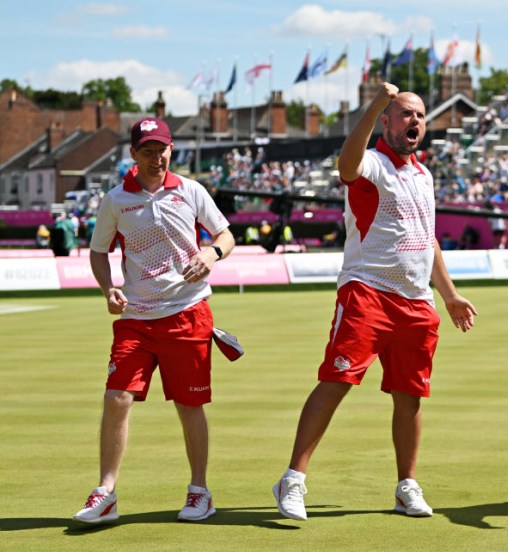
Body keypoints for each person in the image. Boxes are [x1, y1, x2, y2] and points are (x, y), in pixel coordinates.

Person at [272, 83, 477, 521]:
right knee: (337, 381)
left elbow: (428, 239)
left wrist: (450, 294)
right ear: (386, 121)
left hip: (417, 302)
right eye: (404, 113)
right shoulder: (372, 163)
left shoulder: (424, 175)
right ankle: (292, 479)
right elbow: (346, 163)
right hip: (367, 291)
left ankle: (406, 486)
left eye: (419, 115)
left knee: (410, 395)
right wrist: (375, 104)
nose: (414, 121)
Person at [73, 117, 235, 525]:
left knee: (189, 405)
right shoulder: (115, 200)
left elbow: (225, 235)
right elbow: (98, 251)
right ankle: (105, 493)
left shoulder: (191, 190)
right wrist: (108, 288)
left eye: (162, 149)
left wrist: (211, 254)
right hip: (136, 316)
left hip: (188, 312)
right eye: (148, 151)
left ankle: (200, 492)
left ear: (170, 149)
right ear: (134, 154)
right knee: (116, 398)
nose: (156, 157)